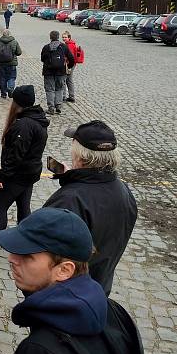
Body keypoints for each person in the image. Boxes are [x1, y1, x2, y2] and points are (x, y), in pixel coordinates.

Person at [0, 208, 143, 354]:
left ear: (64, 270)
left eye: (27, 255)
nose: (11, 258)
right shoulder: (113, 310)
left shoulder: (39, 352)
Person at [43, 121, 137, 296]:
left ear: (80, 157)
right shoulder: (124, 191)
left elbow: (42, 255)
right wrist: (74, 177)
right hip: (99, 290)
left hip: (64, 297)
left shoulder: (69, 200)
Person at [0, 85, 49, 258]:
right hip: (30, 173)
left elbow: (15, 156)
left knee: (1, 206)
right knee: (23, 207)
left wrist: (2, 176)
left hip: (18, 175)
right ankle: (28, 244)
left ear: (17, 103)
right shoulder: (38, 119)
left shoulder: (24, 126)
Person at [40, 30, 75, 115]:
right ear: (58, 37)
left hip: (48, 72)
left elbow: (42, 59)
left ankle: (51, 108)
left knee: (49, 90)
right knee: (59, 88)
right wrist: (68, 67)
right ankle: (58, 106)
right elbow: (72, 58)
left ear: (50, 37)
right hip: (61, 72)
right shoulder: (63, 47)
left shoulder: (46, 47)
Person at [0, 29, 22, 99]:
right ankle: (10, 88)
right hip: (12, 63)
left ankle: (3, 93)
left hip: (1, 64)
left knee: (2, 78)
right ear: (9, 34)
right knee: (12, 77)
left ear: (3, 35)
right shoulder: (14, 42)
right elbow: (19, 52)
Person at [61, 30, 84, 102]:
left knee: (64, 80)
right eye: (63, 37)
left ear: (69, 37)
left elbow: (69, 56)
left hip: (69, 64)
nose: (64, 38)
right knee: (69, 80)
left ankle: (63, 96)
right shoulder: (69, 44)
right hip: (72, 64)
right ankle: (71, 96)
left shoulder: (69, 45)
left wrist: (66, 64)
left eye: (65, 37)